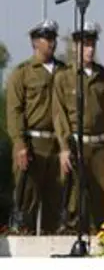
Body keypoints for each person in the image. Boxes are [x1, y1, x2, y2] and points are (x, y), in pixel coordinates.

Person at [5, 19, 67, 233]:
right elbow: (14, 111)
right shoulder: (22, 73)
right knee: (26, 206)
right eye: (46, 38)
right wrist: (19, 143)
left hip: (58, 145)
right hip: (32, 144)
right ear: (34, 42)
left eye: (53, 38)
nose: (51, 43)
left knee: (56, 205)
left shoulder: (64, 72)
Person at [52, 21, 104, 232]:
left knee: (101, 199)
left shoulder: (103, 75)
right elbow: (59, 115)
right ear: (76, 47)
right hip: (76, 146)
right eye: (85, 45)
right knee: (75, 202)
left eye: (93, 44)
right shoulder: (64, 78)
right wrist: (65, 148)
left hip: (101, 147)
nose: (90, 49)